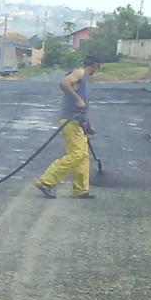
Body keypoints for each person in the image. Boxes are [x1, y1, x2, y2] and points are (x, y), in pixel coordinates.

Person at [34, 53, 103, 199]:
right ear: (95, 65)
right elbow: (64, 83)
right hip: (70, 121)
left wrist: (88, 125)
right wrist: (77, 98)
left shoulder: (85, 79)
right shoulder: (80, 72)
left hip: (78, 122)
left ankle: (81, 190)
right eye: (98, 66)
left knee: (83, 156)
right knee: (76, 154)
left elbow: (84, 107)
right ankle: (46, 181)